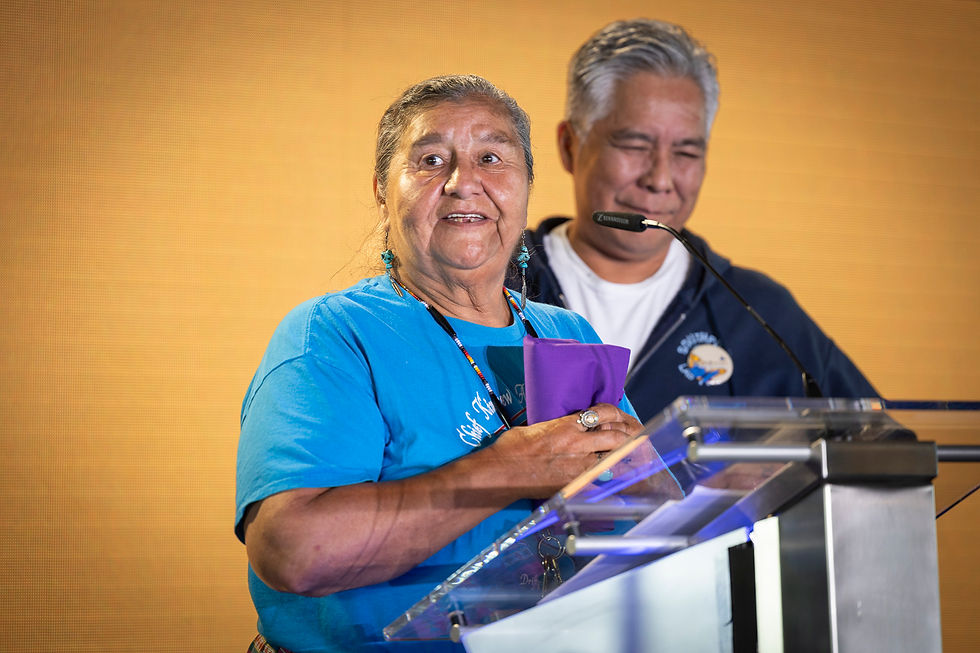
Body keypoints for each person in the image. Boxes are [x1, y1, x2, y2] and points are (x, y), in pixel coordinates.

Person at [235, 75, 648, 653]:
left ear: (527, 184)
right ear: (383, 188)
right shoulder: (334, 335)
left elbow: (643, 516)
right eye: (431, 160)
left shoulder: (566, 331)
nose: (464, 184)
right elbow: (296, 552)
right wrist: (508, 470)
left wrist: (644, 480)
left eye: (491, 157)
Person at [508, 18, 878, 424]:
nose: (661, 180)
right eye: (634, 144)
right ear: (569, 146)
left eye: (686, 153)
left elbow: (887, 459)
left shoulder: (757, 312)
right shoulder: (487, 282)